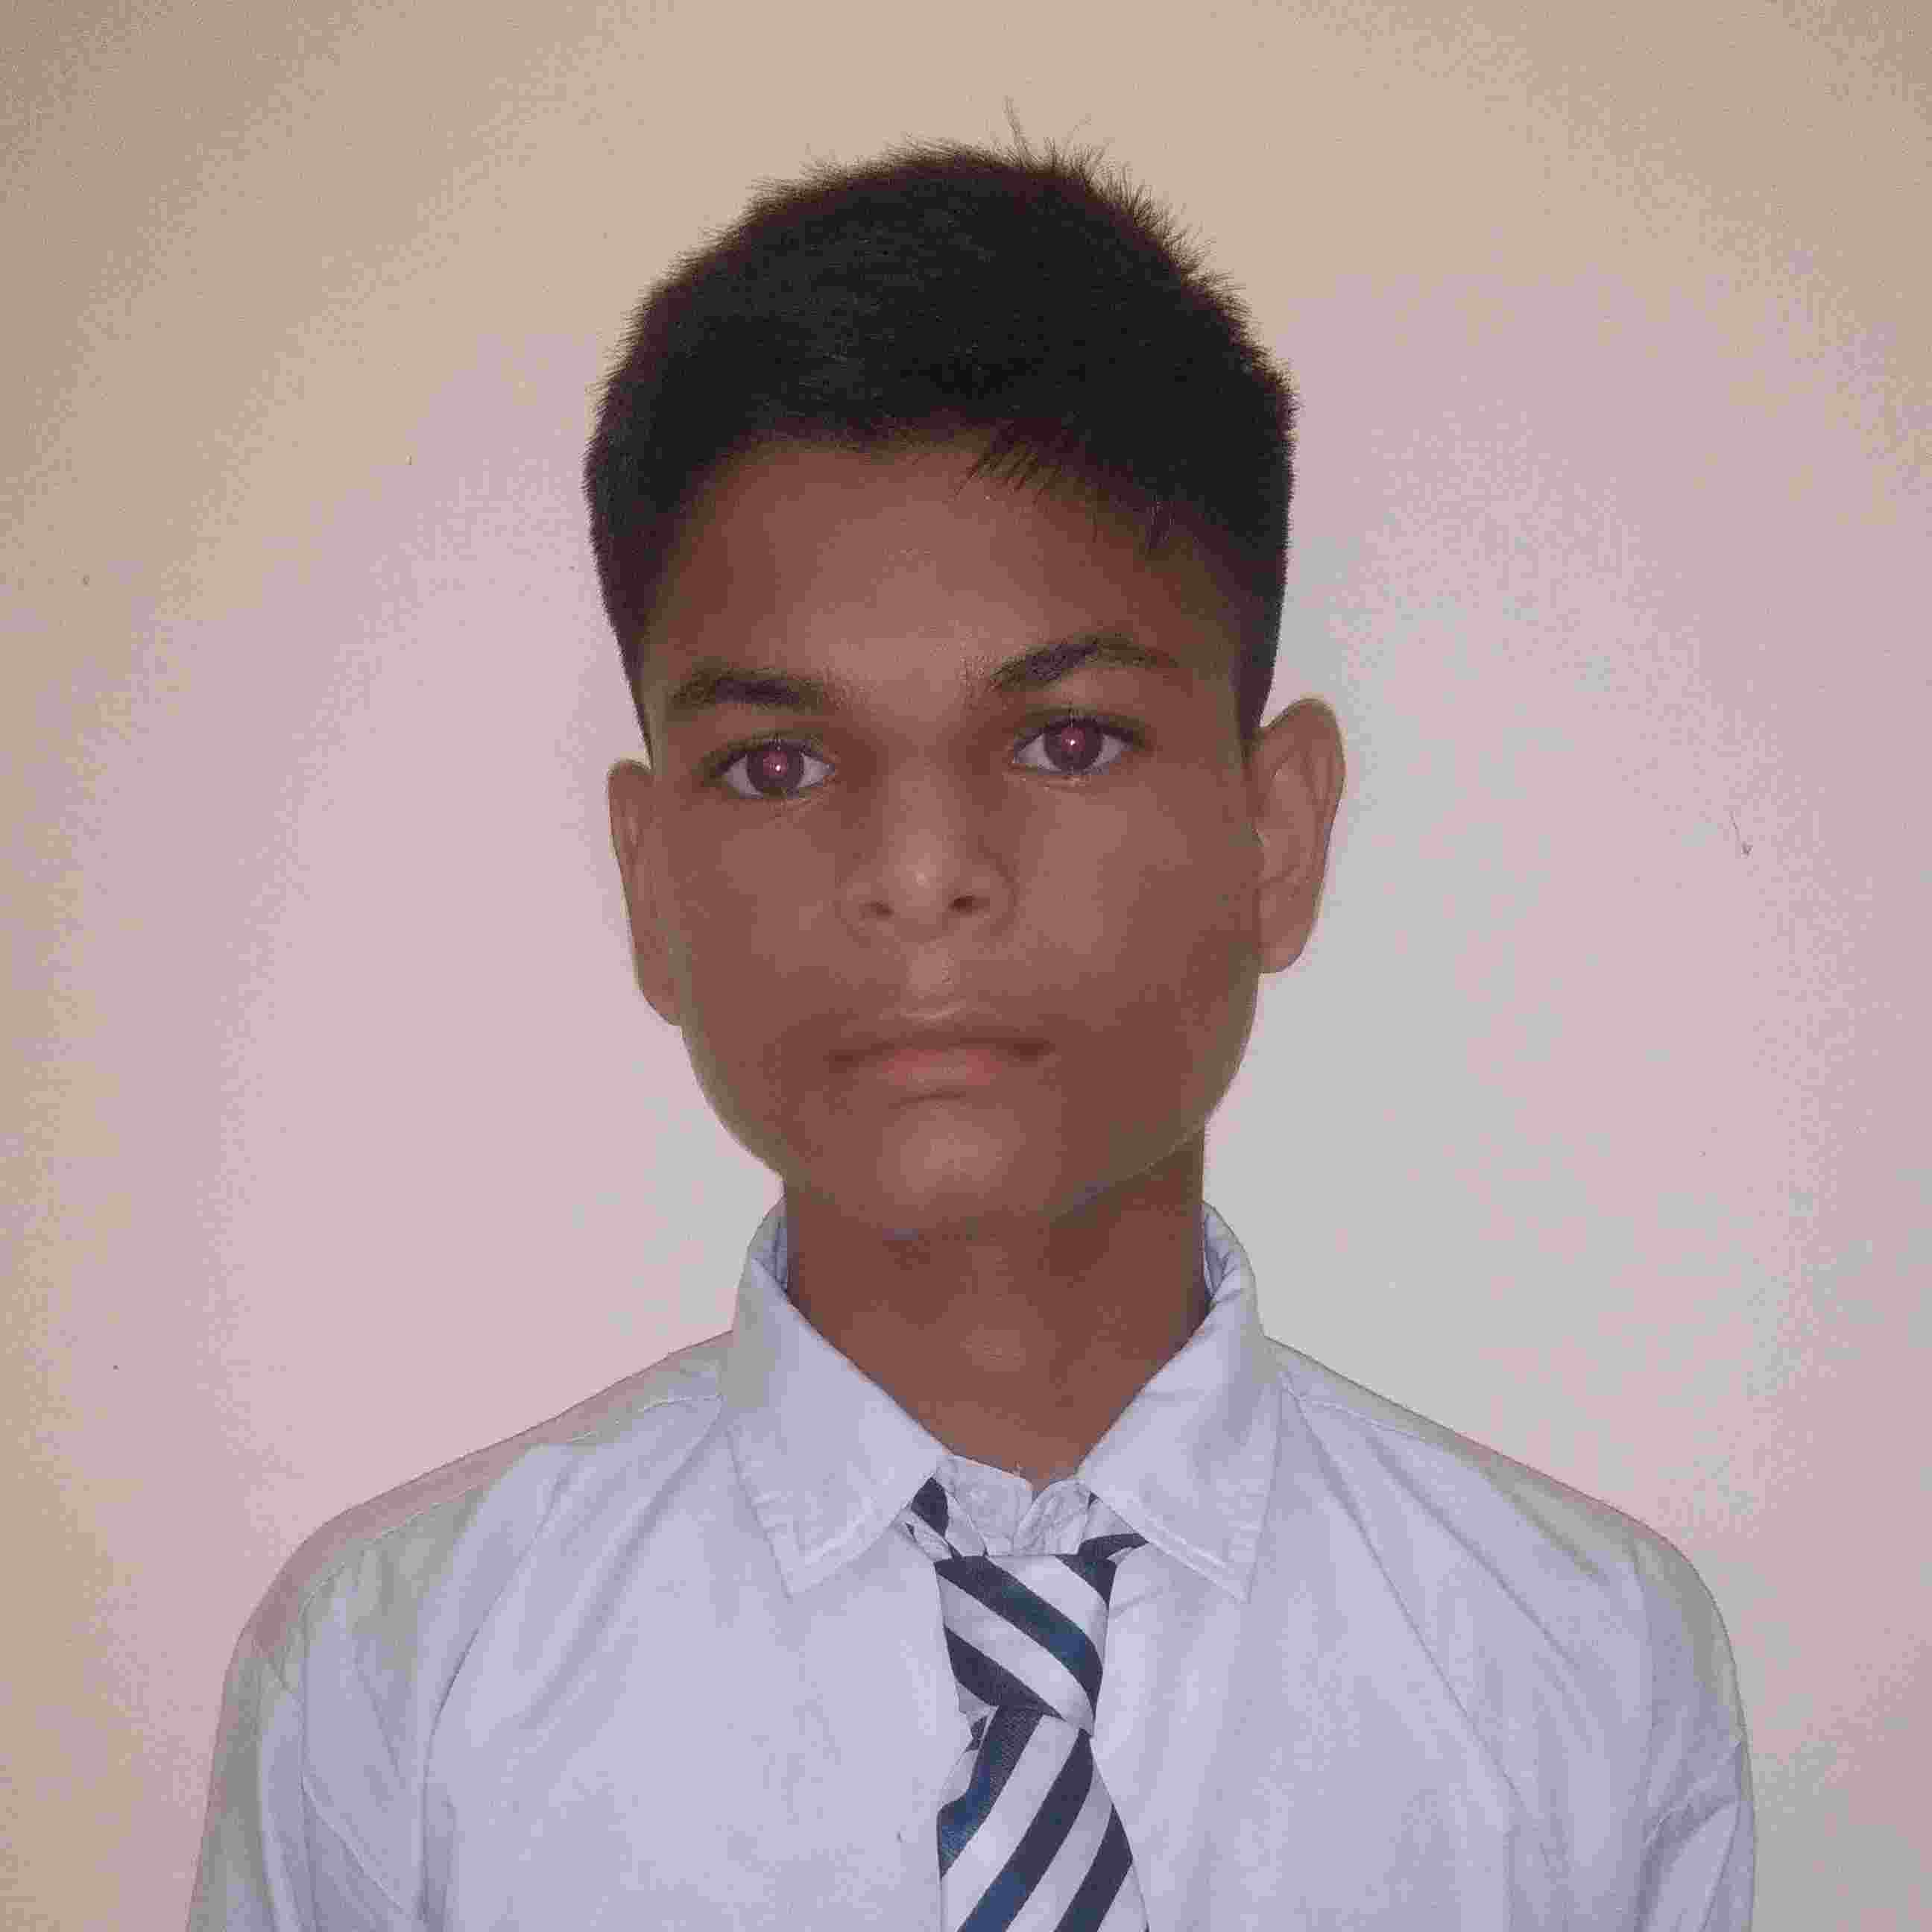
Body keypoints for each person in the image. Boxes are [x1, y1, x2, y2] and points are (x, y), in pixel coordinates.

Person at [188, 134, 1753, 1929]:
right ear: (651, 882)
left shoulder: (1581, 1675)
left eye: (1066, 741)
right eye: (779, 766)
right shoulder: (397, 1684)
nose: (922, 875)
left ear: (1277, 836)